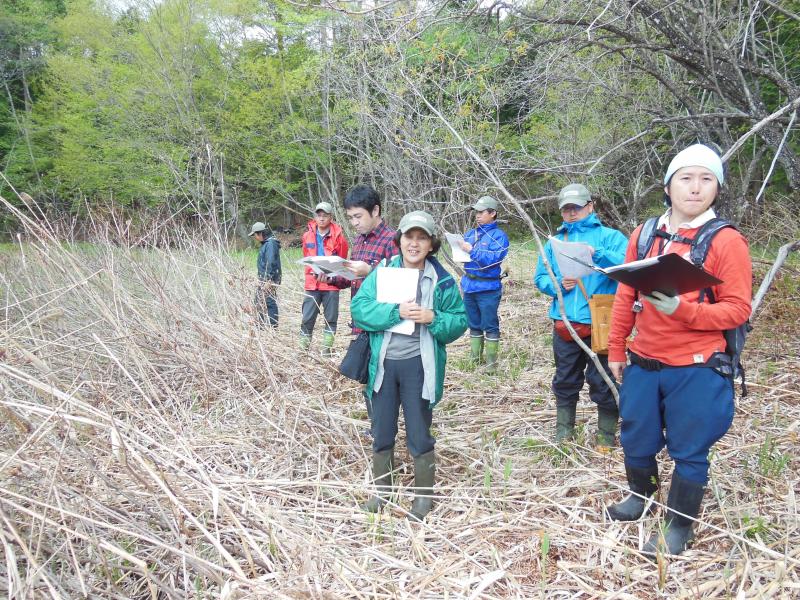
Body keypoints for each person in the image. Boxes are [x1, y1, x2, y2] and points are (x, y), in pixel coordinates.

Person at [605, 144, 752, 557]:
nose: (695, 188)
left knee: (690, 447)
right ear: (668, 187)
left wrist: (684, 310)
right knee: (636, 437)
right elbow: (625, 293)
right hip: (644, 362)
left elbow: (738, 309)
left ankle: (678, 527)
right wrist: (617, 347)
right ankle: (640, 498)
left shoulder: (726, 241)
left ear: (717, 188)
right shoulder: (646, 233)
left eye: (707, 179)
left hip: (697, 366)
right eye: (686, 178)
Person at [351, 210, 467, 521]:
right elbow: (359, 309)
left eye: (422, 238)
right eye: (408, 237)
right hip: (384, 365)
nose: (414, 244)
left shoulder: (441, 280)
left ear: (431, 244)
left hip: (419, 366)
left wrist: (434, 319)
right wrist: (395, 311)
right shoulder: (383, 271)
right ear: (399, 240)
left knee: (418, 431)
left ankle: (423, 498)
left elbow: (459, 322)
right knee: (382, 429)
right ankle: (383, 492)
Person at [534, 184, 628, 446]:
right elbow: (540, 276)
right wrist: (556, 286)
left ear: (590, 206)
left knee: (605, 380)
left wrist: (596, 254)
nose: (572, 213)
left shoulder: (610, 237)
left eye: (576, 207)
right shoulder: (554, 243)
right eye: (566, 209)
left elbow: (626, 266)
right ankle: (564, 432)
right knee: (565, 378)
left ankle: (606, 437)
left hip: (602, 323)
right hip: (566, 326)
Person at [459, 196, 510, 374]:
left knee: (489, 324)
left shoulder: (499, 237)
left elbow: (493, 260)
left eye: (481, 212)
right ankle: (475, 357)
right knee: (473, 323)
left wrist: (472, 251)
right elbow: (463, 258)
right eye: (476, 212)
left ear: (493, 213)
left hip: (488, 288)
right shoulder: (470, 234)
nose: (477, 216)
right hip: (469, 285)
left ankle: (491, 364)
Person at [300, 202, 349, 356]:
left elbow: (342, 259)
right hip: (312, 284)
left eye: (325, 215)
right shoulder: (307, 235)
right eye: (319, 215)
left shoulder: (339, 236)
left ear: (330, 217)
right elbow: (305, 257)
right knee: (307, 318)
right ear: (315, 216)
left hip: (331, 285)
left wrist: (332, 276)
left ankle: (326, 352)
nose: (321, 218)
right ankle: (303, 351)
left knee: (331, 319)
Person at [249, 222, 281, 328]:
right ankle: (261, 326)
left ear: (259, 234)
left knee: (269, 302)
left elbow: (270, 262)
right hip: (265, 279)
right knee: (260, 301)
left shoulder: (270, 244)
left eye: (255, 235)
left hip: (269, 279)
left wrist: (268, 279)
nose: (255, 238)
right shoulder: (267, 244)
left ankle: (272, 328)